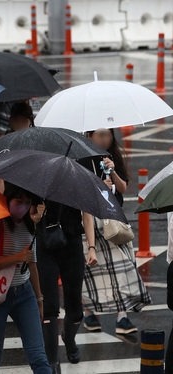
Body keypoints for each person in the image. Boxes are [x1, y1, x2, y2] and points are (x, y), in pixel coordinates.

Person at [82, 129, 151, 334]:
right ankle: (89, 312)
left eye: (108, 135)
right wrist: (100, 187)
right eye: (101, 135)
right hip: (91, 221)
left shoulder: (112, 157)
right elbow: (79, 194)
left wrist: (112, 171)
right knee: (93, 270)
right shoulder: (82, 160)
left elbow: (122, 188)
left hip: (114, 219)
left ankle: (123, 315)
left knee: (123, 265)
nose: (106, 139)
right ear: (89, 136)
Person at [0, 184, 51, 374]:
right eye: (19, 202)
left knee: (38, 356)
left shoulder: (29, 223)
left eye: (27, 203)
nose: (24, 207)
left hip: (24, 293)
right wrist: (16, 258)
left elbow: (32, 263)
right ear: (7, 200)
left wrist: (39, 299)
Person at [37, 199, 97, 373]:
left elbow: (87, 215)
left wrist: (91, 247)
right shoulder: (38, 179)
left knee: (75, 309)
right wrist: (36, 215)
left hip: (72, 243)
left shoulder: (75, 176)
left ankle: (69, 339)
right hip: (45, 244)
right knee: (49, 307)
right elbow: (28, 215)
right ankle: (52, 363)